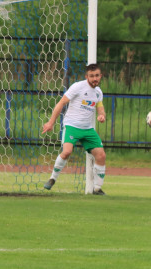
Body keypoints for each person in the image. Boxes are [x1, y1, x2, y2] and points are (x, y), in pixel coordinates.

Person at [42, 63, 108, 194]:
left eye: (97, 76)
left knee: (101, 155)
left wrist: (102, 116)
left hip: (88, 129)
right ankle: (52, 179)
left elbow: (101, 109)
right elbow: (61, 103)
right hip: (72, 126)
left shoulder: (98, 92)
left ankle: (97, 188)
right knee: (67, 152)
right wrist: (51, 122)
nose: (94, 78)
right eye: (91, 76)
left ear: (101, 76)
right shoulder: (77, 87)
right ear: (86, 76)